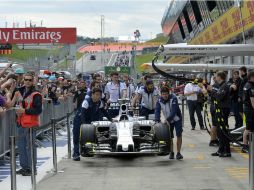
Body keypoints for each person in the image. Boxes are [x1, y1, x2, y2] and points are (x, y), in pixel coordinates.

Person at [16, 72, 43, 176]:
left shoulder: (36, 94)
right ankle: (24, 167)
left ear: (33, 81)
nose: (27, 81)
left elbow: (38, 110)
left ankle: (32, 169)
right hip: (21, 123)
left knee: (30, 146)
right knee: (21, 146)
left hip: (31, 124)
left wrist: (24, 111)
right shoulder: (21, 91)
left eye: (29, 80)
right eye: (26, 79)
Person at [154, 87, 183, 160]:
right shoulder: (159, 100)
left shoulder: (173, 98)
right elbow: (157, 111)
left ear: (168, 93)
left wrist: (167, 119)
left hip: (177, 120)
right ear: (161, 94)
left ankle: (178, 153)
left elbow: (174, 111)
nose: (165, 96)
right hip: (168, 121)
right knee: (170, 137)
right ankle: (171, 152)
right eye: (163, 94)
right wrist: (157, 121)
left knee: (179, 135)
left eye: (166, 94)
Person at [207, 71, 231, 157]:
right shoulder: (221, 86)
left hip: (223, 111)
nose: (215, 78)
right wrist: (210, 91)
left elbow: (219, 97)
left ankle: (227, 151)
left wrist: (212, 90)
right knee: (220, 132)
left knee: (223, 131)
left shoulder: (225, 86)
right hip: (219, 110)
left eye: (216, 76)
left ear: (220, 77)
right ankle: (221, 150)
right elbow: (215, 96)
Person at [72, 80, 87, 161]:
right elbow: (74, 100)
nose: (82, 84)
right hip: (78, 114)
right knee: (76, 135)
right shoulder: (77, 92)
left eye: (83, 83)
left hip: (86, 115)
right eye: (81, 83)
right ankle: (76, 153)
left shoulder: (88, 92)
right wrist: (75, 107)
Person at [242, 71, 254, 153]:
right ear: (252, 77)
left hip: (247, 108)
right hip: (250, 109)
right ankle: (245, 146)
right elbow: (253, 101)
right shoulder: (251, 86)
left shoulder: (247, 84)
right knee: (248, 128)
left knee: (249, 128)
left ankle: (247, 145)